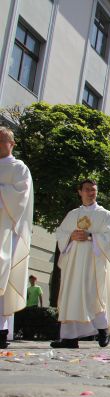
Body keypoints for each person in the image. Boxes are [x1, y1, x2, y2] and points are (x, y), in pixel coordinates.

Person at [51, 180, 110, 349]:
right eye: (87, 190)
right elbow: (60, 233)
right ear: (80, 192)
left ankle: (103, 330)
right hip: (74, 263)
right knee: (72, 295)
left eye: (93, 190)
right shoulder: (72, 214)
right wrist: (70, 237)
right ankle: (69, 338)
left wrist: (90, 235)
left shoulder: (105, 215)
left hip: (94, 263)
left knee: (94, 295)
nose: (91, 193)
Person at [0, 127, 33, 349]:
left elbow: (21, 197)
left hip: (5, 230)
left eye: (1, 140)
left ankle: (1, 331)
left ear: (12, 143)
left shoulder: (19, 168)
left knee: (2, 276)